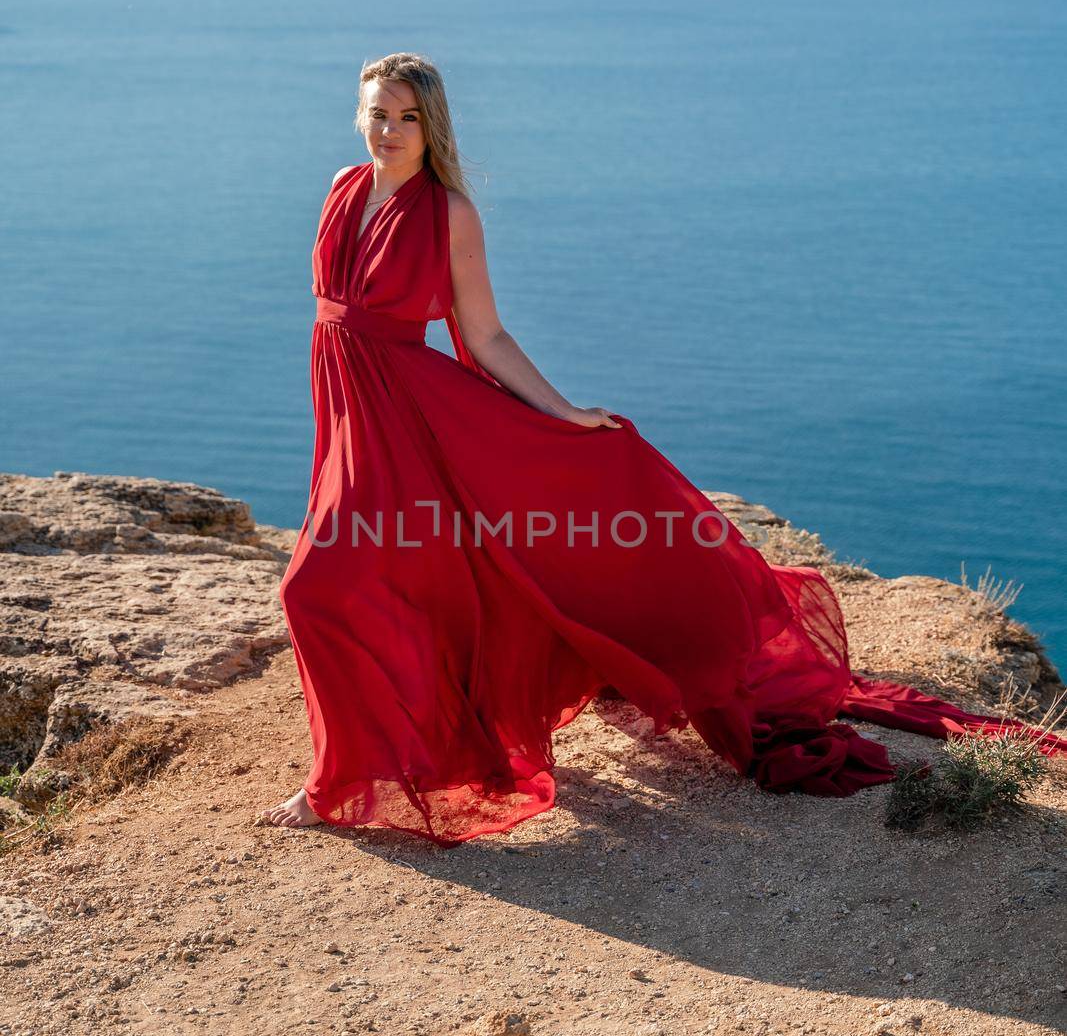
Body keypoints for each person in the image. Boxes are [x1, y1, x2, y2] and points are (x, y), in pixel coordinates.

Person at [256, 52, 1067, 844]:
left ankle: (339, 782)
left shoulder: (447, 214)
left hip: (418, 416)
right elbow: (334, 317)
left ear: (432, 127)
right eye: (376, 113)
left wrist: (565, 415)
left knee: (317, 589)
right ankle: (384, 753)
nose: (388, 130)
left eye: (406, 117)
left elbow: (484, 333)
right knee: (391, 580)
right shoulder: (341, 187)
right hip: (353, 405)